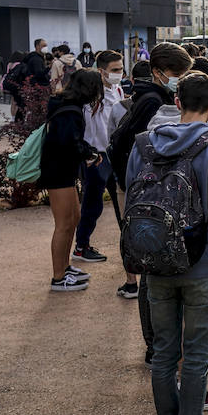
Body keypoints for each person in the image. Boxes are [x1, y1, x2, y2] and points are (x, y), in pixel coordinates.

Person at [129, 72, 208, 415]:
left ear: (176, 103)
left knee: (163, 352)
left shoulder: (143, 145)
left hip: (154, 261)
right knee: (195, 354)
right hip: (201, 261)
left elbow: (131, 201)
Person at [109, 42, 193, 361]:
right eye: (177, 74)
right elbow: (132, 148)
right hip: (143, 195)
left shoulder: (154, 96)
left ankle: (156, 342)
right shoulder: (151, 102)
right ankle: (153, 344)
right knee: (149, 272)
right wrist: (134, 188)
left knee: (153, 270)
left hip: (145, 192)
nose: (181, 79)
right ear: (158, 73)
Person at [40, 69, 103, 292]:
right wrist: (88, 154)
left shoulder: (65, 105)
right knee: (65, 225)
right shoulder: (71, 111)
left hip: (62, 170)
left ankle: (65, 268)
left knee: (72, 220)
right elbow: (68, 142)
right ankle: (59, 277)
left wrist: (88, 151)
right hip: (58, 171)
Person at [72, 50, 124, 269]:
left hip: (115, 154)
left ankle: (130, 246)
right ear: (101, 71)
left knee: (123, 203)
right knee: (92, 205)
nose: (119, 73)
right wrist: (89, 155)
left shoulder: (119, 90)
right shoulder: (92, 96)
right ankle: (81, 247)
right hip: (97, 156)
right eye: (115, 70)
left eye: (121, 69)